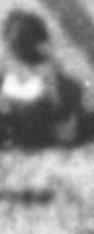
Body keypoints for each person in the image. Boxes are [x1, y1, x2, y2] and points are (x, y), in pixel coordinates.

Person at [0, 9, 84, 149]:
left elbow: (59, 101)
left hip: (38, 120)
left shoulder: (47, 66)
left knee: (69, 88)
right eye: (15, 43)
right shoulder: (7, 64)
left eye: (24, 41)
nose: (17, 47)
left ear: (36, 42)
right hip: (14, 120)